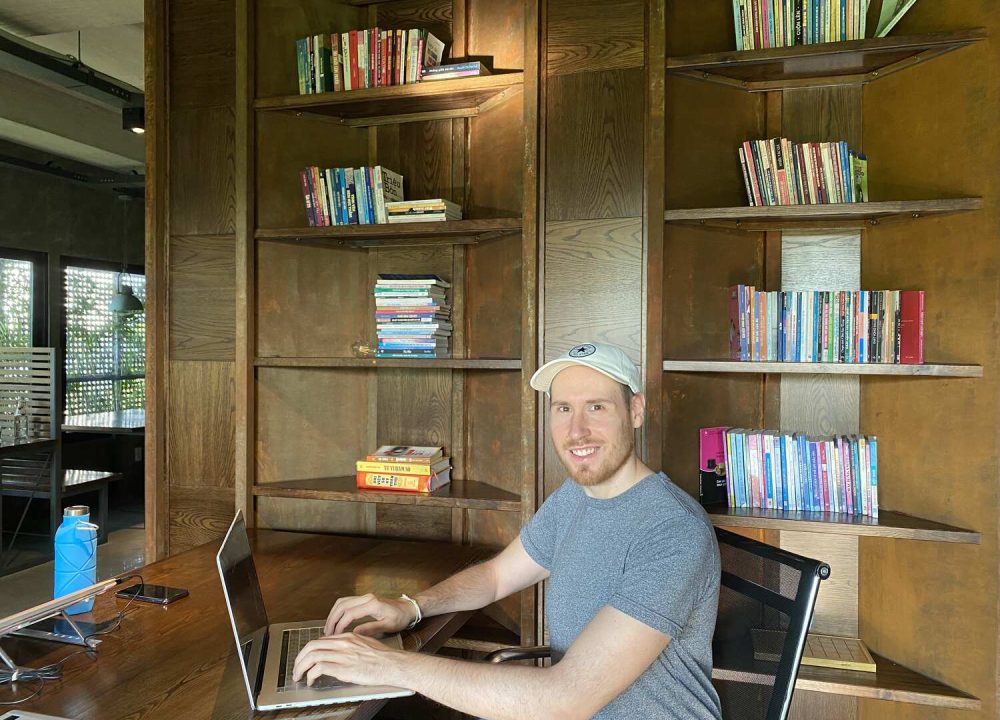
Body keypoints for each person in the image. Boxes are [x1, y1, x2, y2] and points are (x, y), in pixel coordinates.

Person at [293, 342, 722, 720]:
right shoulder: (575, 497)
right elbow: (497, 576)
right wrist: (412, 607)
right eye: (563, 409)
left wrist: (388, 665)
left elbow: (565, 701)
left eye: (597, 407)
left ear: (636, 411)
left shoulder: (673, 530)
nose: (576, 431)